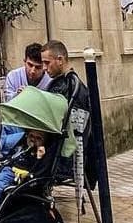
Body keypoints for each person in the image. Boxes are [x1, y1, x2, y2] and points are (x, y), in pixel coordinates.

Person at [41, 41, 96, 184]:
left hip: (63, 156)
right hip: (61, 149)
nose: (44, 68)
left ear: (60, 60)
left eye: (47, 63)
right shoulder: (68, 83)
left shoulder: (69, 87)